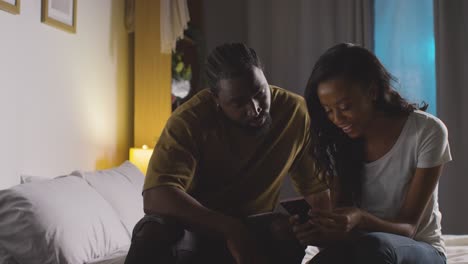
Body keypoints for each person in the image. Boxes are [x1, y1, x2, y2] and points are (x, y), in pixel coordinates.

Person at [124, 43, 328, 264]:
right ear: (216, 100)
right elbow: (156, 196)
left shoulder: (295, 114)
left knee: (285, 229)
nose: (254, 109)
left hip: (252, 226)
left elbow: (317, 192)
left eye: (260, 92)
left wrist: (322, 232)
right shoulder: (189, 121)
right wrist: (230, 229)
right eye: (238, 103)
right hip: (194, 229)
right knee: (152, 231)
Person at [291, 42, 452, 264]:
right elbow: (344, 229)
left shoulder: (426, 131)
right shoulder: (340, 143)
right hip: (364, 249)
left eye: (345, 107)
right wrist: (320, 231)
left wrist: (359, 218)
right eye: (328, 111)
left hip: (420, 249)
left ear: (372, 92)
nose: (337, 119)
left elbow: (408, 228)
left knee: (376, 246)